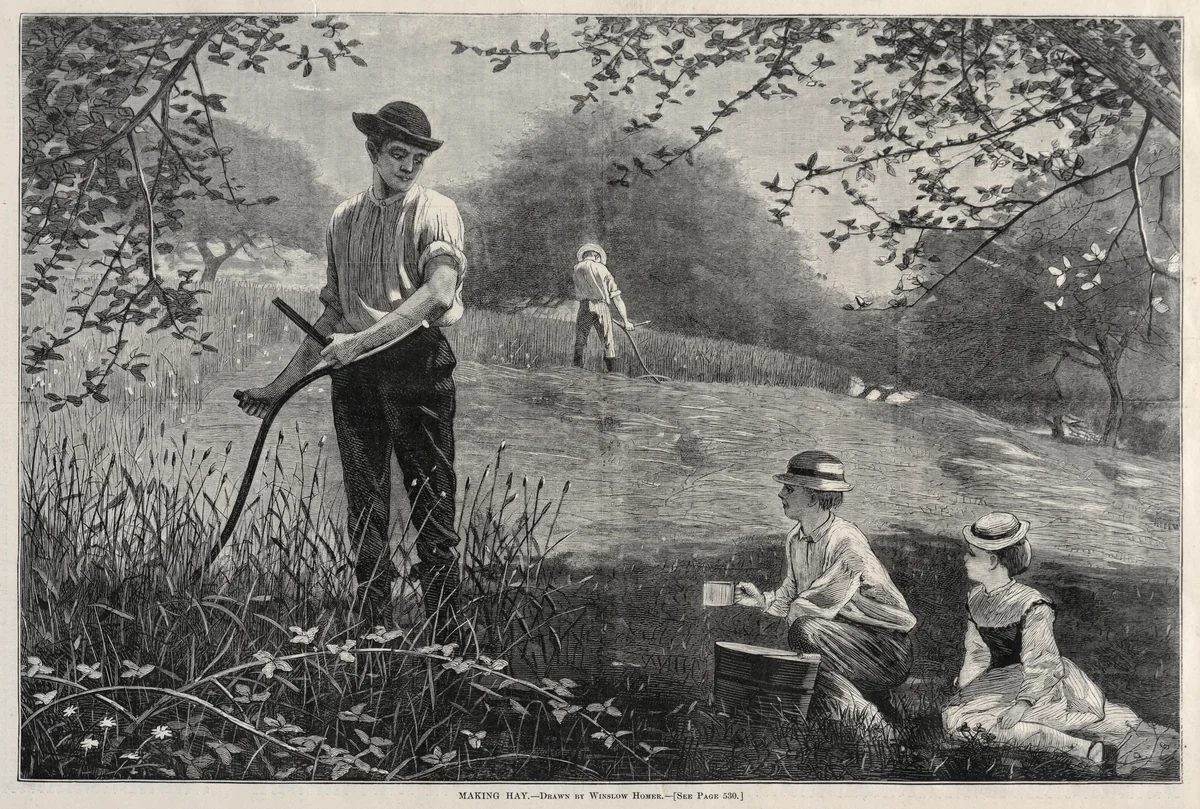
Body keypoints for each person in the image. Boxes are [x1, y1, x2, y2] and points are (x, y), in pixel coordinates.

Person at [237, 101, 466, 636]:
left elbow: (439, 293)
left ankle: (449, 637)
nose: (408, 166)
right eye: (398, 154)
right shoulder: (343, 219)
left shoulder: (436, 211)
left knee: (432, 505)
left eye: (417, 158)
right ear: (373, 151)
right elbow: (332, 316)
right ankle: (371, 632)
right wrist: (278, 388)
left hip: (417, 364)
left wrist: (360, 341)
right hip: (356, 375)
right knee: (365, 507)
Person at [944, 511, 1145, 768]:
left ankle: (1088, 750)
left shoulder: (1032, 603)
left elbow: (1042, 660)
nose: (964, 558)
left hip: (1039, 685)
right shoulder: (976, 598)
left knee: (968, 724)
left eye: (972, 554)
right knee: (955, 718)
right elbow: (977, 652)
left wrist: (1022, 704)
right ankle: (1090, 742)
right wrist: (967, 687)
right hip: (1001, 681)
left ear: (993, 560)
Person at [735, 451, 916, 724]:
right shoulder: (795, 538)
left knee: (805, 632)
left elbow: (818, 603)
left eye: (789, 489)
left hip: (886, 650)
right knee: (809, 647)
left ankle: (868, 720)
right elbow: (792, 591)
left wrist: (792, 623)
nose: (781, 494)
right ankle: (873, 712)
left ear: (812, 497)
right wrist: (762, 600)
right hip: (841, 640)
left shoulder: (846, 539)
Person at [572, 243, 634, 372]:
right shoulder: (602, 269)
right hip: (601, 306)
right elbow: (616, 297)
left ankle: (577, 372)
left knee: (580, 340)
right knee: (608, 342)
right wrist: (626, 321)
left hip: (584, 307)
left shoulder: (577, 268)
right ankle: (612, 374)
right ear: (596, 256)